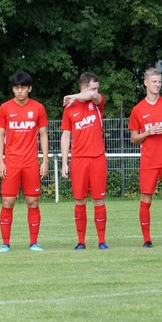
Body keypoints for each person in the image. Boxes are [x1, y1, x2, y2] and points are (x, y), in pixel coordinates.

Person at [129, 68, 162, 247]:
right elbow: (134, 138)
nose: (157, 85)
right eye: (154, 82)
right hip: (149, 161)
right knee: (146, 199)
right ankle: (147, 240)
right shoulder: (138, 110)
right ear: (145, 83)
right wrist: (147, 132)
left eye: (159, 82)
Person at [0, 71, 48, 252]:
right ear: (13, 89)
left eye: (23, 88)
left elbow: (43, 135)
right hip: (11, 163)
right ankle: (5, 243)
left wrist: (45, 161)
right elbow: (0, 134)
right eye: (16, 88)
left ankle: (34, 242)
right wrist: (1, 162)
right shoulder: (5, 108)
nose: (19, 91)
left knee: (32, 202)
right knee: (7, 202)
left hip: (31, 163)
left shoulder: (38, 108)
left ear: (29, 89)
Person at [60, 72, 109, 250]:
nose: (97, 91)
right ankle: (81, 241)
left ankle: (102, 240)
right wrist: (64, 162)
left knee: (99, 200)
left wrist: (73, 96)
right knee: (79, 200)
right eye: (93, 87)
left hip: (97, 158)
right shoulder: (69, 109)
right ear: (83, 87)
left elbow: (93, 96)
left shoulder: (97, 102)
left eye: (97, 88)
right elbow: (66, 136)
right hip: (79, 159)